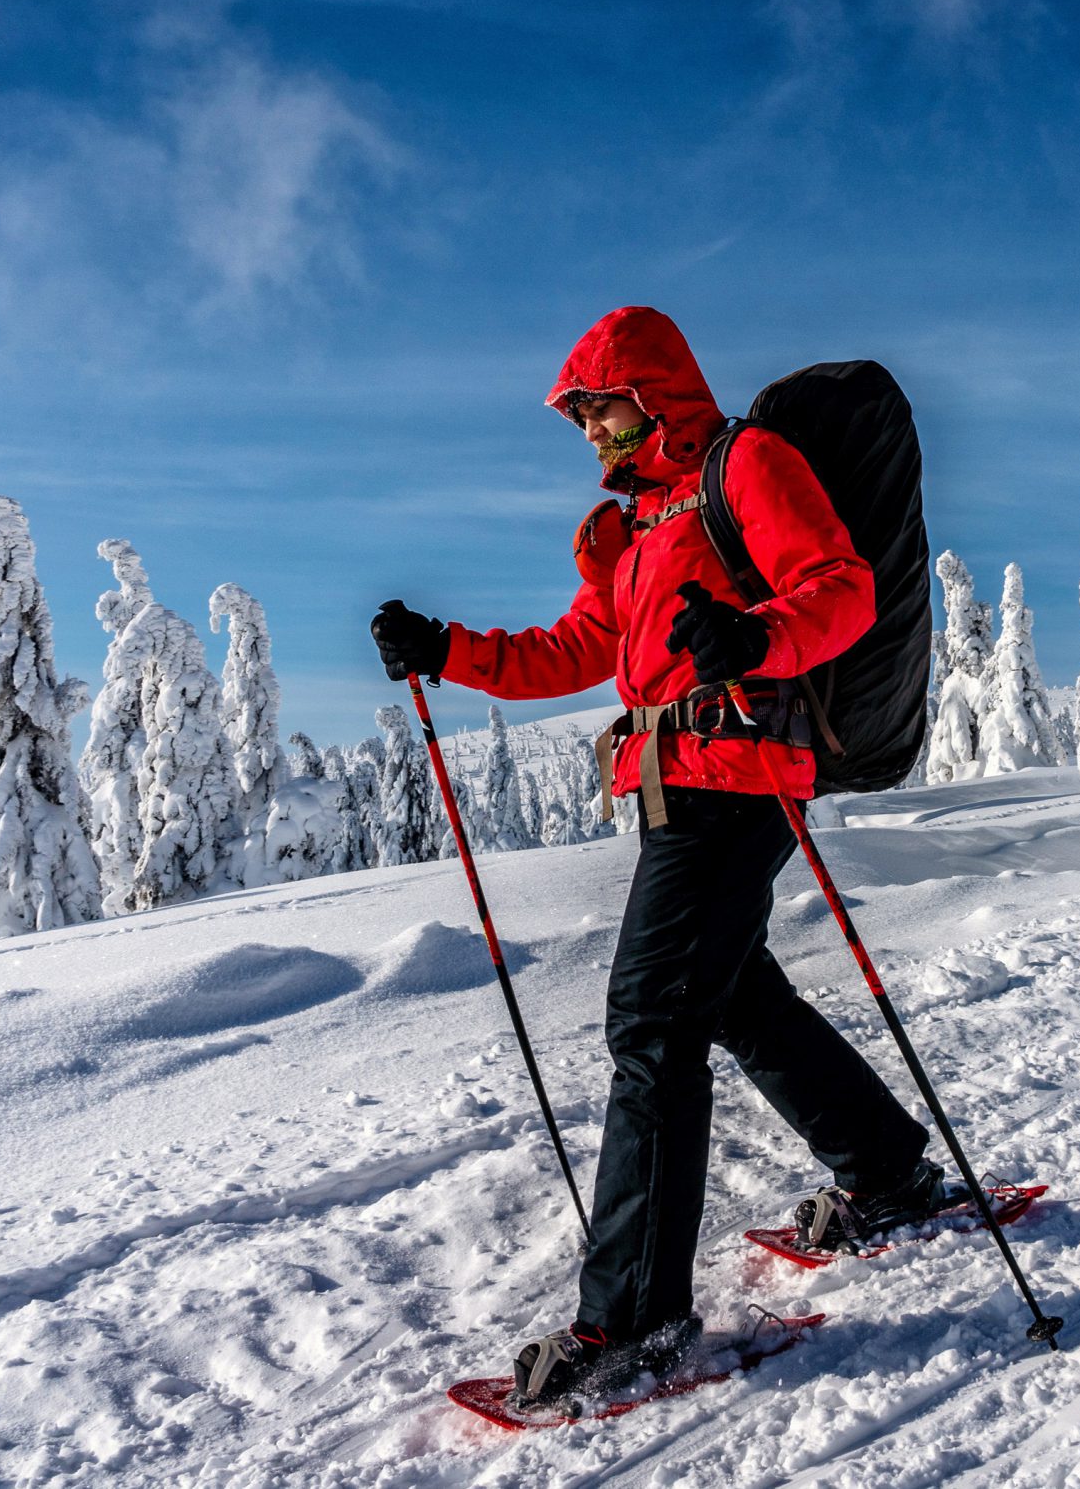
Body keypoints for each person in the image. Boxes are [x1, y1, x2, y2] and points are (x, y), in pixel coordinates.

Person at [371, 305, 944, 1408]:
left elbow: (838, 587)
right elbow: (582, 647)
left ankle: (634, 1321)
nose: (588, 428)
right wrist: (449, 651)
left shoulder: (746, 465)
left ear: (652, 390)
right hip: (674, 790)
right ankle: (888, 1173)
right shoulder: (631, 527)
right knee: (729, 997)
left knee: (651, 1019)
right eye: (577, 414)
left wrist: (755, 638)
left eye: (599, 404)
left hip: (744, 775)